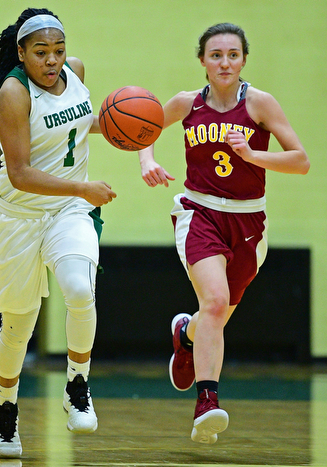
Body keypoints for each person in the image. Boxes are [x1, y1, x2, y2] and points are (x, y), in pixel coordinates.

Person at [139, 22, 309, 444]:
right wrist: (147, 161)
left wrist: (253, 154)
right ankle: (207, 402)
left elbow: (301, 160)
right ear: (203, 61)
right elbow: (144, 128)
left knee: (215, 315)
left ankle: (185, 334)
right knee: (214, 301)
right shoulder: (186, 103)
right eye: (216, 55)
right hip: (199, 214)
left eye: (232, 54)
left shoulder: (260, 104)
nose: (225, 62)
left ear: (244, 59)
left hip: (249, 223)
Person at [0, 7, 116, 458]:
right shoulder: (13, 94)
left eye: (58, 50)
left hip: (69, 210)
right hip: (19, 216)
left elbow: (81, 125)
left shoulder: (75, 73)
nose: (53, 60)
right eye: (41, 52)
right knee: (18, 325)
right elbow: (19, 173)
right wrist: (84, 184)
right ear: (22, 52)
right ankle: (5, 410)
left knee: (80, 289)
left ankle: (77, 383)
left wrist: (132, 131)